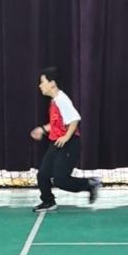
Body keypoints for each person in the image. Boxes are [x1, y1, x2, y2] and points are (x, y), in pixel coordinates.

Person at [30, 68, 100, 213]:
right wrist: (42, 129)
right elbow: (57, 123)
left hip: (69, 144)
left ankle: (90, 184)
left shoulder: (62, 100)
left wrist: (66, 137)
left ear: (52, 83)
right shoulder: (55, 101)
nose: (40, 86)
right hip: (56, 143)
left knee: (60, 180)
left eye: (42, 82)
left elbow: (75, 119)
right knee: (42, 175)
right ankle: (48, 201)